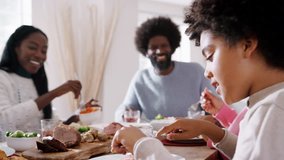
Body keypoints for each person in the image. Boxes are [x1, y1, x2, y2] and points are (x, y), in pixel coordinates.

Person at [111, 0, 284, 159]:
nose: (206, 73)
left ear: (246, 45)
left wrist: (143, 146)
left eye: (210, 56)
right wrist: (209, 130)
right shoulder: (270, 105)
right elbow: (248, 152)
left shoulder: (271, 111)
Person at [115, 16, 214, 122]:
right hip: (154, 136)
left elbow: (216, 104)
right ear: (146, 51)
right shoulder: (141, 78)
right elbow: (124, 109)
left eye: (164, 45)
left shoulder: (196, 71)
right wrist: (124, 113)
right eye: (153, 47)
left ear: (172, 47)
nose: (159, 51)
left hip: (193, 136)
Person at [0, 25, 82, 132]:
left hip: (35, 149)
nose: (39, 55)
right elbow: (3, 121)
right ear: (16, 48)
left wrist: (71, 121)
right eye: (32, 48)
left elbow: (46, 126)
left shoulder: (37, 81)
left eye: (44, 51)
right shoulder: (3, 77)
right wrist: (53, 94)